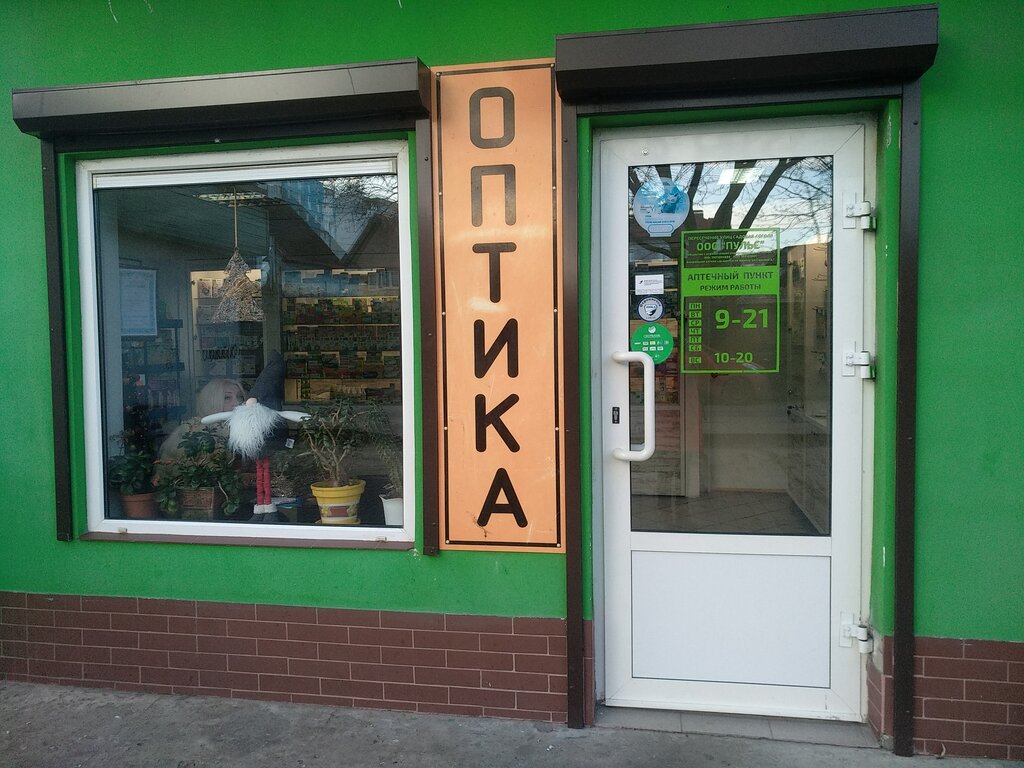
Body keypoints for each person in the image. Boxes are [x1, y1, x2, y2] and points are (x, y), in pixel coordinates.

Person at [159, 378, 245, 459]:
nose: (237, 403)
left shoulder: (242, 430)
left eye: (240, 397)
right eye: (227, 397)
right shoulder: (193, 431)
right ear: (211, 401)